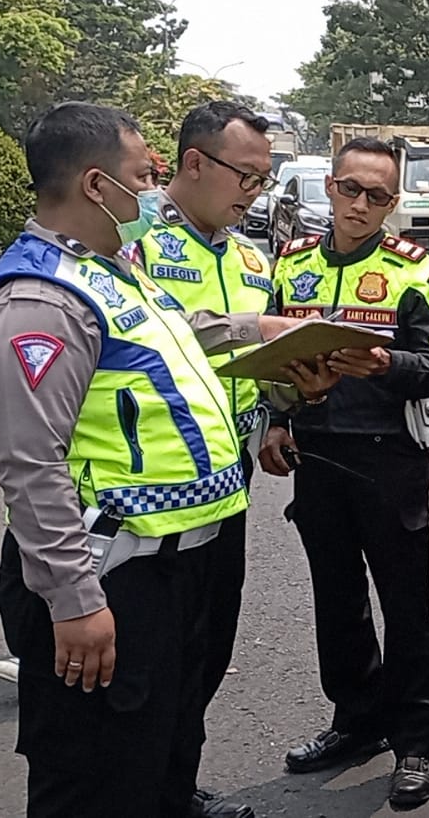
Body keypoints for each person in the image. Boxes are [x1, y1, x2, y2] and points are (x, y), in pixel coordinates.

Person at [0, 101, 335, 818]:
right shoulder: (38, 300)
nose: (154, 190)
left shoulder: (108, 270)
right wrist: (74, 601)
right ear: (97, 185)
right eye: (144, 174)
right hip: (111, 573)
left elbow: (179, 332)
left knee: (152, 747)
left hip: (173, 567)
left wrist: (271, 328)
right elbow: (31, 466)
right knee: (94, 773)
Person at [262, 136, 429, 810]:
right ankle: (355, 720)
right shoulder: (289, 266)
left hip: (389, 458)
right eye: (350, 189)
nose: (360, 205)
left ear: (392, 202)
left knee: (405, 604)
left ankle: (413, 743)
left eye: (377, 196)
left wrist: (385, 365)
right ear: (330, 186)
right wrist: (278, 422)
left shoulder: (414, 270)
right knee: (335, 597)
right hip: (315, 455)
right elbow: (272, 363)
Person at [127, 101, 280, 818]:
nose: (254, 194)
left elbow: (258, 359)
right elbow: (155, 333)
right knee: (144, 665)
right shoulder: (134, 241)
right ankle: (140, 791)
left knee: (206, 649)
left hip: (229, 479)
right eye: (246, 177)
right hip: (147, 488)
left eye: (264, 180)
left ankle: (173, 787)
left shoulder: (251, 256)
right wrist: (251, 328)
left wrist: (289, 392)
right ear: (194, 163)